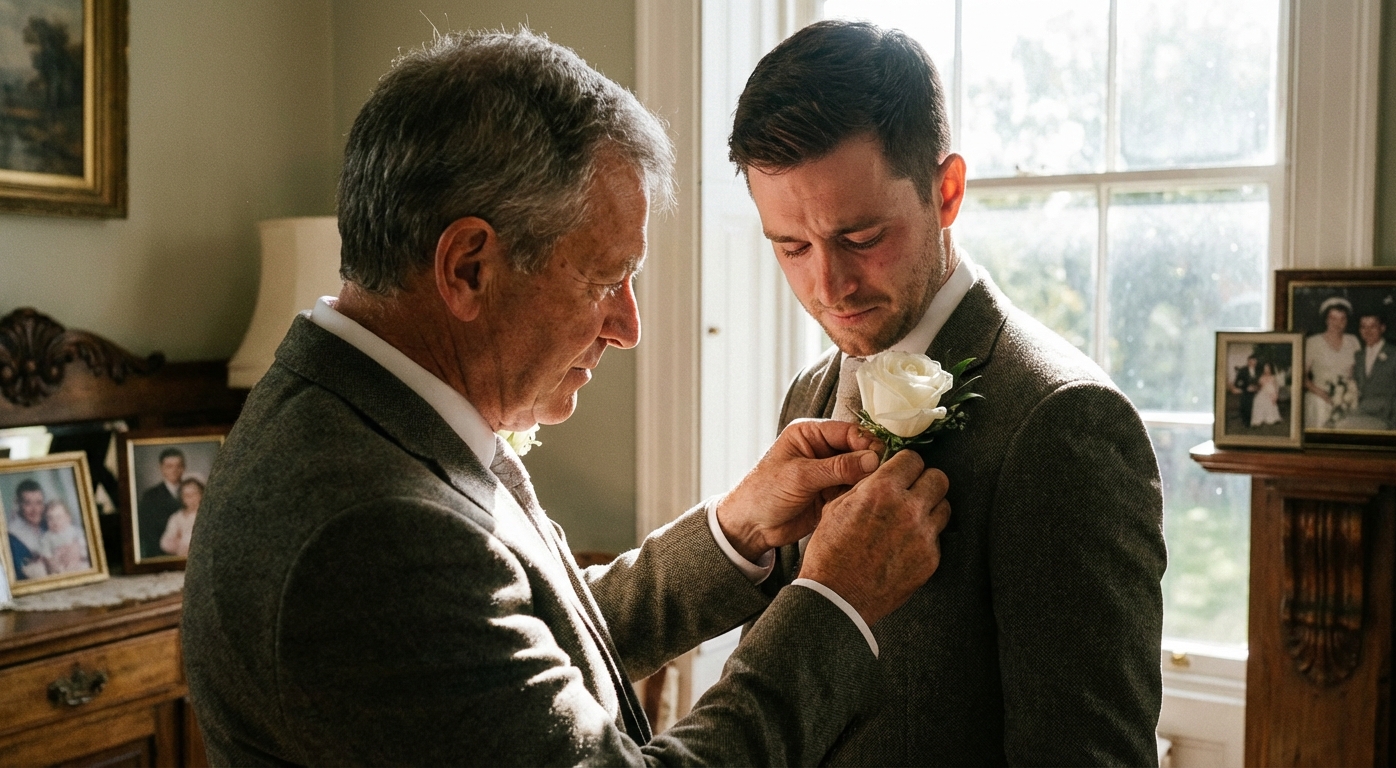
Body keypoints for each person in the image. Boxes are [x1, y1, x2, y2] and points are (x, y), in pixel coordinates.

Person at [182, 29, 951, 766]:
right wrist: (832, 603)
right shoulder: (368, 532)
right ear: (469, 267)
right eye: (604, 279)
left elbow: (522, 649)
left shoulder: (368, 412)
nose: (628, 326)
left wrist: (736, 529)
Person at [729, 20, 1166, 765]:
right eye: (791, 247)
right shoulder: (811, 392)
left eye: (861, 237)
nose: (827, 286)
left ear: (947, 190)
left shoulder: (1065, 423)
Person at [1340, 311, 1396, 431]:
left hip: (1386, 418)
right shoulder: (1358, 356)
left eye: (1373, 326)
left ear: (1382, 328)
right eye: (1363, 327)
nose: (1367, 331)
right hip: (1359, 414)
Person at [1304, 298, 1360, 429]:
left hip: (1346, 397)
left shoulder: (1353, 341)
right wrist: (1320, 392)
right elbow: (1301, 377)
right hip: (1319, 395)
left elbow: (1357, 372)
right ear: (1326, 320)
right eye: (1333, 318)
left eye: (1342, 319)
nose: (1337, 323)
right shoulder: (1313, 342)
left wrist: (1349, 393)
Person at [137, 448, 185, 558]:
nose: (174, 470)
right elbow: (148, 533)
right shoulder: (150, 496)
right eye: (169, 466)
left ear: (184, 468)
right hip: (161, 554)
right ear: (161, 468)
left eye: (178, 466)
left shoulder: (193, 491)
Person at [6, 479, 49, 580]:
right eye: (28, 503)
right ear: (18, 504)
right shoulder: (12, 538)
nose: (35, 510)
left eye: (39, 503)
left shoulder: (48, 524)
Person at [39, 500, 90, 573]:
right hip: (59, 564)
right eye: (50, 518)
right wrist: (53, 561)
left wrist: (77, 551)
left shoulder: (75, 531)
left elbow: (83, 546)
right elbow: (46, 554)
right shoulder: (47, 537)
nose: (55, 521)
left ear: (68, 518)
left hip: (77, 562)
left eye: (58, 517)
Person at [159, 478, 203, 558]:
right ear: (182, 498)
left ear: (202, 494)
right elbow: (165, 543)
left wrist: (180, 538)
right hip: (180, 558)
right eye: (186, 495)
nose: (190, 498)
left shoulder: (204, 516)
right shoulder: (176, 517)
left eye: (194, 493)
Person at [1232, 353, 1261, 427]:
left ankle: (1257, 420)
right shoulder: (1243, 370)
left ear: (1256, 362)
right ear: (1248, 361)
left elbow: (1261, 382)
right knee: (1246, 402)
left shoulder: (1259, 370)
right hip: (1246, 392)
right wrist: (1246, 388)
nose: (1252, 363)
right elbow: (1237, 383)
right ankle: (1247, 421)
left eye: (1254, 361)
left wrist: (1257, 387)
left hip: (1257, 392)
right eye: (1250, 361)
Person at [1250, 361, 1282, 427]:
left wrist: (1275, 396)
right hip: (1263, 392)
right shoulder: (1261, 377)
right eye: (1265, 368)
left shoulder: (1273, 377)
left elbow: (1276, 388)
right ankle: (1258, 419)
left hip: (1271, 393)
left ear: (1270, 369)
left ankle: (1271, 418)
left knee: (1269, 401)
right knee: (1258, 400)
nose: (1266, 370)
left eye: (1268, 368)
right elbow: (1259, 387)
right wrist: (1254, 388)